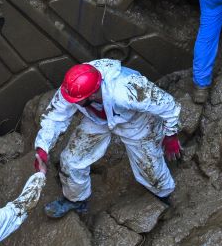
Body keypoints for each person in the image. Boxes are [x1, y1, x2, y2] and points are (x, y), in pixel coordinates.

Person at [35, 59, 182, 218]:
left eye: (77, 101)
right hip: (96, 118)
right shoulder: (72, 88)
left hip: (136, 120)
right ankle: (76, 200)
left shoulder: (128, 90)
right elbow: (54, 118)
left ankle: (164, 195)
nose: (71, 102)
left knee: (149, 167)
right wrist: (43, 148)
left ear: (92, 93)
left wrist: (170, 135)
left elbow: (169, 106)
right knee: (71, 160)